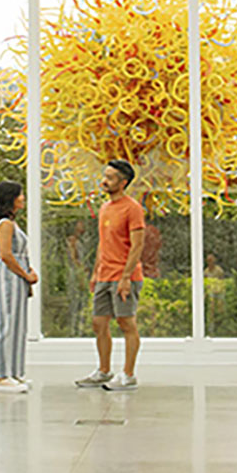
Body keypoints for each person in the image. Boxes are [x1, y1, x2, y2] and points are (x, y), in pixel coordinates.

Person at [76, 159, 146, 391]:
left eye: (110, 177)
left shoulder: (132, 208)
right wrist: (96, 272)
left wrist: (126, 277)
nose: (104, 181)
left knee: (126, 323)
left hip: (124, 275)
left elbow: (137, 246)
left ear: (123, 182)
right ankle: (104, 371)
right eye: (105, 176)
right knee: (98, 323)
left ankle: (128, 375)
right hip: (105, 275)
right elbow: (103, 244)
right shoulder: (105, 207)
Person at [0, 180, 36, 392]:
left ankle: (16, 372)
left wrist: (28, 274)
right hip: (8, 278)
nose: (23, 198)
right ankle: (2, 375)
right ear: (11, 198)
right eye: (20, 194)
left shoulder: (12, 223)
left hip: (17, 277)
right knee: (8, 324)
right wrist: (25, 274)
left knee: (19, 326)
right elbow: (6, 255)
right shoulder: (5, 225)